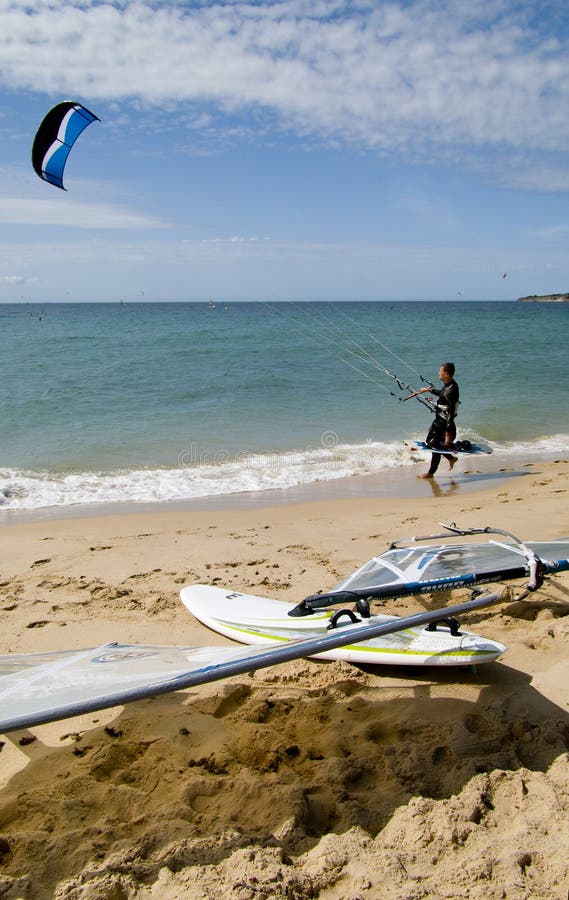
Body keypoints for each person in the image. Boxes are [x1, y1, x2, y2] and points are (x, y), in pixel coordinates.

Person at [416, 362, 459, 479]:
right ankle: (450, 459)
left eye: (440, 371)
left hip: (444, 424)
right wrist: (429, 390)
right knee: (433, 444)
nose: (438, 373)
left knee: (433, 445)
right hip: (439, 421)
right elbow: (442, 393)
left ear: (446, 373)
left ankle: (431, 473)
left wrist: (448, 433)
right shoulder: (449, 385)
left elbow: (450, 413)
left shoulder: (451, 391)